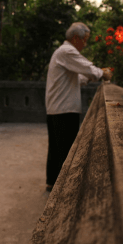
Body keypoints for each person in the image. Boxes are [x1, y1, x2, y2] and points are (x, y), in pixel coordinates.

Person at [44, 22, 113, 192]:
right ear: (76, 38)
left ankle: (52, 183)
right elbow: (88, 69)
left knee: (56, 148)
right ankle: (64, 188)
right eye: (85, 40)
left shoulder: (62, 52)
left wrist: (91, 76)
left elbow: (78, 78)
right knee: (66, 149)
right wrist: (103, 73)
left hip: (57, 108)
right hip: (64, 109)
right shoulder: (67, 51)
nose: (86, 44)